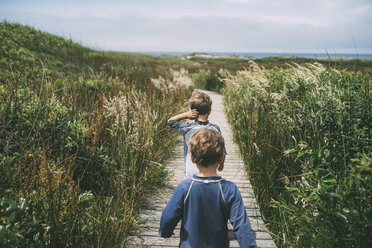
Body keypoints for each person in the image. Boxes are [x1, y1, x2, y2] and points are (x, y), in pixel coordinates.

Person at [159, 128, 257, 248]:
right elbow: (242, 226)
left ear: (192, 158)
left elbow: (168, 217)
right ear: (222, 157)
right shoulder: (229, 189)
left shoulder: (185, 187)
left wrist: (165, 232)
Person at [168, 90, 225, 178]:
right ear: (209, 111)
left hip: (191, 173)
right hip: (209, 172)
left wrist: (186, 115)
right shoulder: (215, 129)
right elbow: (222, 150)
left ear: (192, 111)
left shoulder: (187, 128)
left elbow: (171, 122)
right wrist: (222, 163)